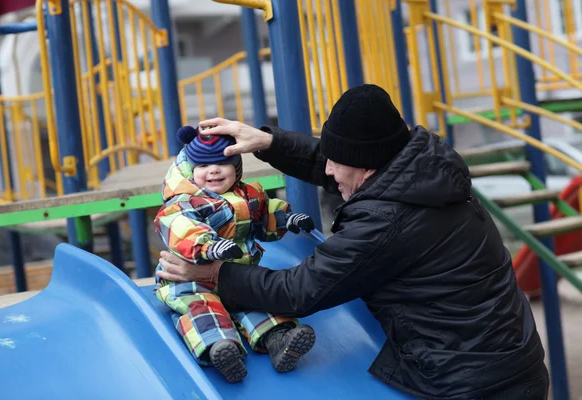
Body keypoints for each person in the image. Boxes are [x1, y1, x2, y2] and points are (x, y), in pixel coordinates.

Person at [156, 84, 549, 399]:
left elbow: (299, 290)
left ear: (367, 166)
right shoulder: (422, 169)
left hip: (474, 383)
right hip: (513, 361)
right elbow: (334, 165)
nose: (326, 170)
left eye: (335, 161)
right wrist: (266, 142)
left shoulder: (386, 221)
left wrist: (212, 273)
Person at [153, 125, 316, 384]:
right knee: (204, 312)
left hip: (237, 276)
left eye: (222, 163)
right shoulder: (184, 203)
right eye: (204, 166)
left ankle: (280, 340)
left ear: (237, 167)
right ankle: (220, 349)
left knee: (260, 302)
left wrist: (287, 219)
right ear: (190, 172)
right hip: (192, 281)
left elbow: (265, 215)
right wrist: (208, 245)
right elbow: (179, 227)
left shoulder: (249, 195)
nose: (214, 170)